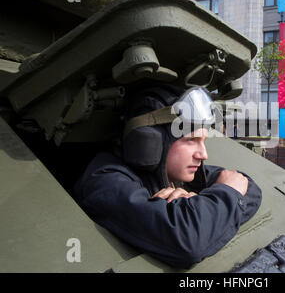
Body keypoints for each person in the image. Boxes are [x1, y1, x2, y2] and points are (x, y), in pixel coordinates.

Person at [73, 84, 262, 269]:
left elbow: (246, 185)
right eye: (190, 140)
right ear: (149, 141)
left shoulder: (176, 172)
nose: (203, 154)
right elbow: (190, 240)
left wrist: (200, 207)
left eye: (203, 141)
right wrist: (213, 206)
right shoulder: (105, 181)